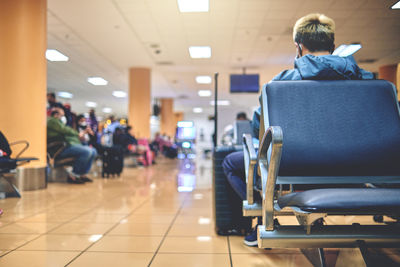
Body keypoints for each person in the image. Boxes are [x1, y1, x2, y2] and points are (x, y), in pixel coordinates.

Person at [222, 13, 374, 247]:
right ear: (333, 46)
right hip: (361, 166)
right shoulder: (370, 82)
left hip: (296, 165)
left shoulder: (281, 84)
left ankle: (264, 216)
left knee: (232, 163)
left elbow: (259, 130)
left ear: (298, 46)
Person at [47, 108, 97, 184]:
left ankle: (82, 174)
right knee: (87, 151)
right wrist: (79, 134)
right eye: (62, 115)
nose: (64, 117)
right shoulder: (52, 121)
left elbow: (68, 132)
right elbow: (65, 130)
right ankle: (74, 175)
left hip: (66, 146)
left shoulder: (59, 123)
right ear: (56, 115)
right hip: (59, 149)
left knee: (93, 151)